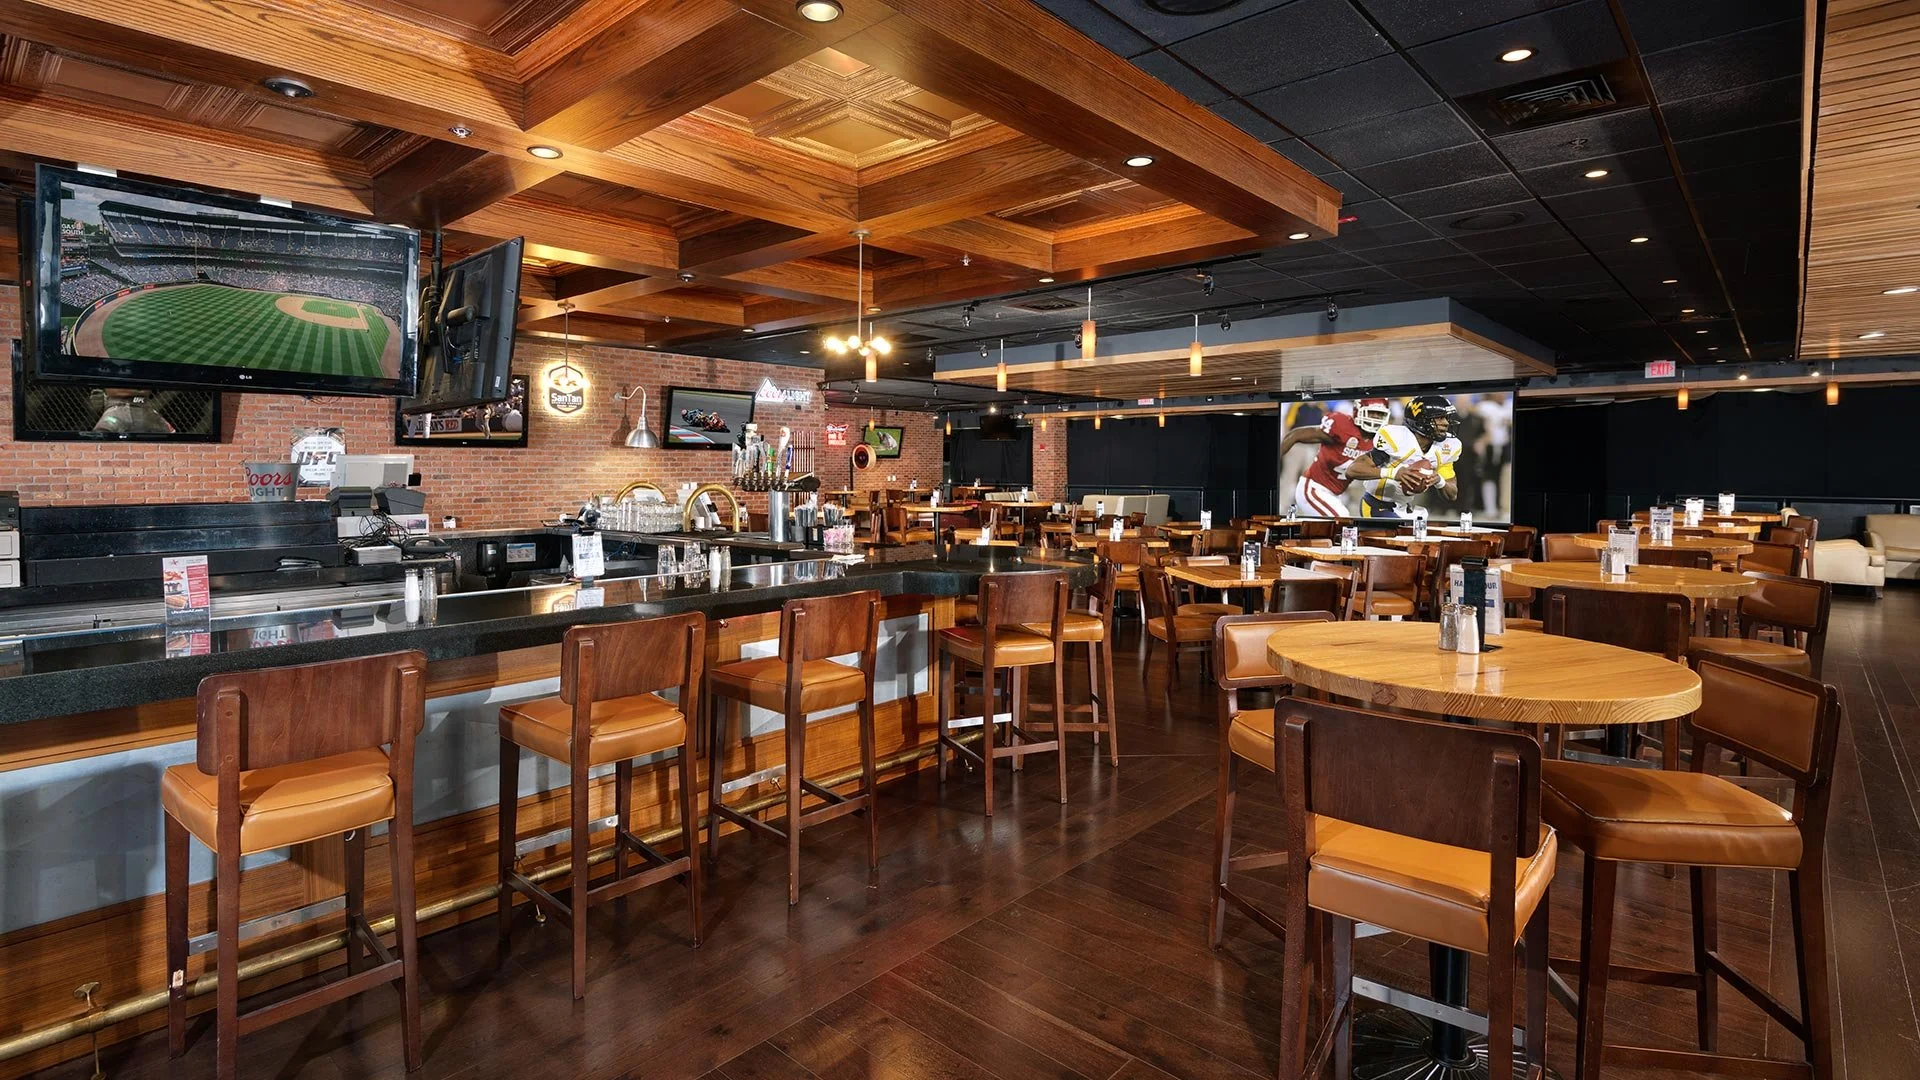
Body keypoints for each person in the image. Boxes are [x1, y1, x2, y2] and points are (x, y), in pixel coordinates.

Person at [1356, 395, 1464, 519]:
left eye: (1446, 418)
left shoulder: (1446, 447)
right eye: (1439, 418)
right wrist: (1393, 473)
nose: (1445, 423)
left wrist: (1439, 481)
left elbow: (1452, 495)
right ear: (1421, 420)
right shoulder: (1398, 438)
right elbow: (1353, 470)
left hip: (1405, 507)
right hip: (1377, 505)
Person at [1281, 398, 1391, 517]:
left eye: (1379, 414)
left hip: (1335, 494)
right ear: (1357, 411)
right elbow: (1295, 435)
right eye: (1371, 412)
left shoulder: (1380, 440)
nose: (1374, 418)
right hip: (1314, 488)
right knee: (1342, 519)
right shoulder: (1341, 426)